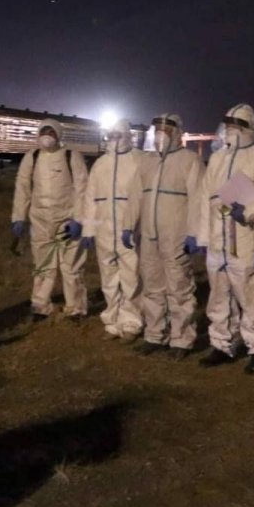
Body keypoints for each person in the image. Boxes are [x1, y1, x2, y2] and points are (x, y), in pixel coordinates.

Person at [193, 103, 254, 369]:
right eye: (228, 125)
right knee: (219, 295)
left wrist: (250, 212)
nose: (231, 130)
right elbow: (206, 199)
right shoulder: (218, 159)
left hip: (246, 239)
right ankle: (222, 343)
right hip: (218, 241)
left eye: (236, 125)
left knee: (252, 294)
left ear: (249, 127)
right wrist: (203, 237)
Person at [130, 113, 204, 359]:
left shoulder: (189, 160)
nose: (161, 134)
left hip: (176, 236)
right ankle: (154, 334)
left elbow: (197, 199)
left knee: (179, 287)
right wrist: (129, 225)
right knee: (152, 287)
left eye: (167, 130)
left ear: (177, 133)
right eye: (158, 129)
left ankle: (181, 339)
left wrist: (194, 232)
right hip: (149, 235)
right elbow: (136, 196)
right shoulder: (147, 161)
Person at [10, 119, 88, 320]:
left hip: (67, 221)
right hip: (40, 221)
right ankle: (40, 305)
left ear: (59, 135)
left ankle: (75, 307)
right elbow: (22, 188)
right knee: (43, 265)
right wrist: (19, 217)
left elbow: (82, 189)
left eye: (51, 132)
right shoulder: (32, 157)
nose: (47, 136)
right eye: (43, 131)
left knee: (71, 266)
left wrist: (79, 219)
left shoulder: (71, 156)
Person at [81, 119, 144, 341]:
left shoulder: (139, 160)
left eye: (119, 135)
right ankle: (112, 321)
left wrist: (137, 225)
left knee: (131, 276)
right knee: (108, 277)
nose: (115, 140)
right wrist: (89, 229)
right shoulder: (100, 164)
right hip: (104, 230)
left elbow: (143, 196)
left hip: (129, 229)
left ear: (128, 136)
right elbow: (90, 198)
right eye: (112, 136)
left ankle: (131, 322)